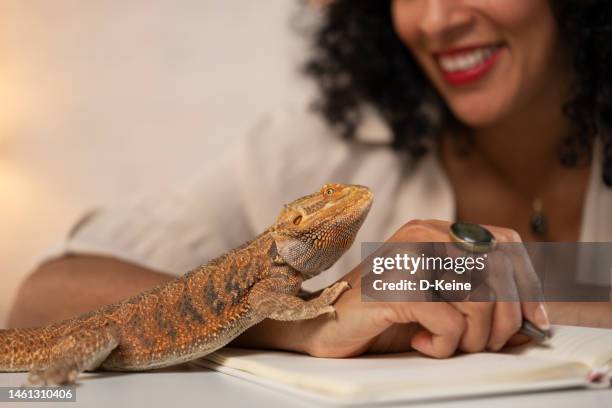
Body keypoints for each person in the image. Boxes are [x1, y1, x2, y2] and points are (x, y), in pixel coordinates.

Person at [8, 0, 612, 359]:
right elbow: (48, 289)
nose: (435, 18)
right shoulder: (325, 146)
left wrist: (489, 290)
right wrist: (306, 321)